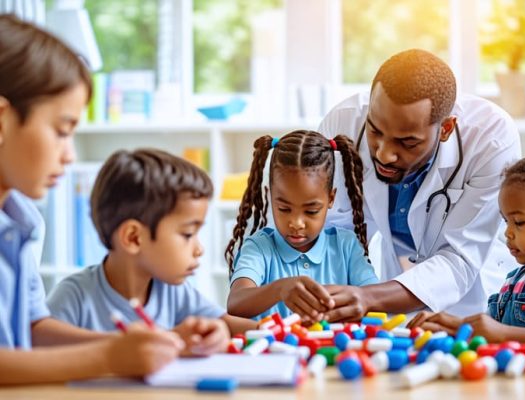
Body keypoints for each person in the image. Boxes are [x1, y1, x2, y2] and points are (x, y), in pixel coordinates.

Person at [0, 14, 183, 385]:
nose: (69, 155)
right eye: (61, 131)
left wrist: (154, 345)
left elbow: (34, 330)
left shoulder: (20, 223)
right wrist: (109, 356)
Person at [318, 49, 521, 321]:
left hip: (473, 310)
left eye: (407, 142)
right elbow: (331, 233)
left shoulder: (491, 138)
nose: (383, 154)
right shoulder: (344, 123)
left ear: (446, 128)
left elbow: (459, 258)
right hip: (385, 301)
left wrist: (367, 297)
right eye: (375, 131)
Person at [47, 149, 256, 355]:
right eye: (187, 234)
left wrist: (221, 332)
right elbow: (41, 350)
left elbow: (225, 323)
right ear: (133, 238)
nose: (199, 249)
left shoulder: (173, 291)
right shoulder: (72, 297)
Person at [225, 130, 378, 322]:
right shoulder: (259, 248)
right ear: (269, 195)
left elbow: (374, 299)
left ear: (331, 198)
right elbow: (236, 303)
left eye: (311, 211)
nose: (296, 223)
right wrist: (280, 289)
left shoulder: (345, 246)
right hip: (274, 352)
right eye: (284, 208)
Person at [408, 154, 525, 343]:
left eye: (519, 222)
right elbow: (492, 333)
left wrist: (504, 335)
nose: (507, 233)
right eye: (505, 221)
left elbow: (501, 334)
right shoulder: (514, 279)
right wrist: (456, 326)